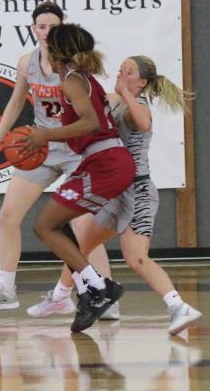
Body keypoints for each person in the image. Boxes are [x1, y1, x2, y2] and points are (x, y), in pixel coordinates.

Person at [28, 55, 201, 335]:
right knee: (79, 245)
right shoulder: (116, 100)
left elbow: (143, 123)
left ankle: (179, 306)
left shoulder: (139, 104)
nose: (122, 71)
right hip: (115, 190)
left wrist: (124, 93)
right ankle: (59, 297)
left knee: (135, 257)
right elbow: (91, 105)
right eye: (122, 67)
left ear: (142, 82)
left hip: (138, 192)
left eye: (129, 70)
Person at [0, 2, 117, 318]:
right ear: (33, 29)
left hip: (76, 148)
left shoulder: (76, 67)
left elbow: (99, 103)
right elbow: (13, 105)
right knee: (8, 214)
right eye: (41, 26)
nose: (46, 31)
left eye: (53, 26)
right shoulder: (27, 63)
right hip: (42, 147)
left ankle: (105, 296)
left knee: (82, 226)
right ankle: (6, 290)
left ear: (63, 26)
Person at [22, 23, 136, 332]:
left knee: (44, 225)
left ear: (55, 54)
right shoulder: (80, 79)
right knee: (53, 225)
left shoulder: (73, 80)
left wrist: (46, 134)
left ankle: (99, 288)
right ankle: (89, 290)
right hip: (102, 160)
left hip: (106, 162)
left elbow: (91, 123)